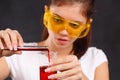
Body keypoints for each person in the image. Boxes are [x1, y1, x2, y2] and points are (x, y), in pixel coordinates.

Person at [0, 0, 109, 80]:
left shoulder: (96, 58)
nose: (63, 32)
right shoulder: (17, 53)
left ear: (87, 24)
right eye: (57, 20)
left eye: (74, 25)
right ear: (46, 12)